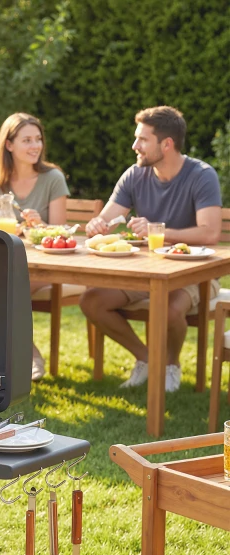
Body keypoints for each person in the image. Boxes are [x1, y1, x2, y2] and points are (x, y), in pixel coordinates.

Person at [81, 106, 222, 392]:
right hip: (147, 272)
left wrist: (158, 230)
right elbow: (108, 216)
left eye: (142, 140)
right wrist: (97, 224)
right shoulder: (135, 175)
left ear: (166, 144)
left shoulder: (202, 175)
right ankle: (147, 358)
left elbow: (210, 233)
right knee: (91, 301)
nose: (135, 146)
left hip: (194, 272)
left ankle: (171, 364)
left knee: (170, 309)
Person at [0, 112, 70, 380]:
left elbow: (61, 232)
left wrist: (39, 226)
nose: (35, 146)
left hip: (40, 266)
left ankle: (29, 355)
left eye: (38, 139)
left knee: (1, 291)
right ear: (9, 144)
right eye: (27, 140)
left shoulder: (53, 178)